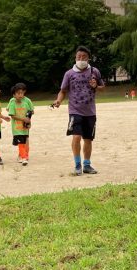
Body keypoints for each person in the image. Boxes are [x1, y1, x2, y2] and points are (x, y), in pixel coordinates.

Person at [54, 45, 104, 175]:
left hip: (90, 112)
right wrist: (58, 100)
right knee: (76, 137)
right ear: (75, 58)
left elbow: (103, 87)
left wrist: (96, 86)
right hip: (75, 111)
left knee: (88, 139)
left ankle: (87, 165)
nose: (81, 59)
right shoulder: (69, 74)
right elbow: (63, 91)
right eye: (78, 57)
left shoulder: (94, 71)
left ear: (88, 58)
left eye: (84, 57)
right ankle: (77, 165)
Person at [8, 83, 34, 166]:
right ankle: (23, 156)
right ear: (14, 94)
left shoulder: (27, 101)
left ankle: (25, 156)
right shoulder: (12, 102)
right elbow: (10, 112)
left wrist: (29, 121)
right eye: (18, 93)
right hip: (17, 127)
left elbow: (31, 111)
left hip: (25, 126)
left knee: (25, 140)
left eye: (22, 92)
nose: (20, 95)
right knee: (20, 142)